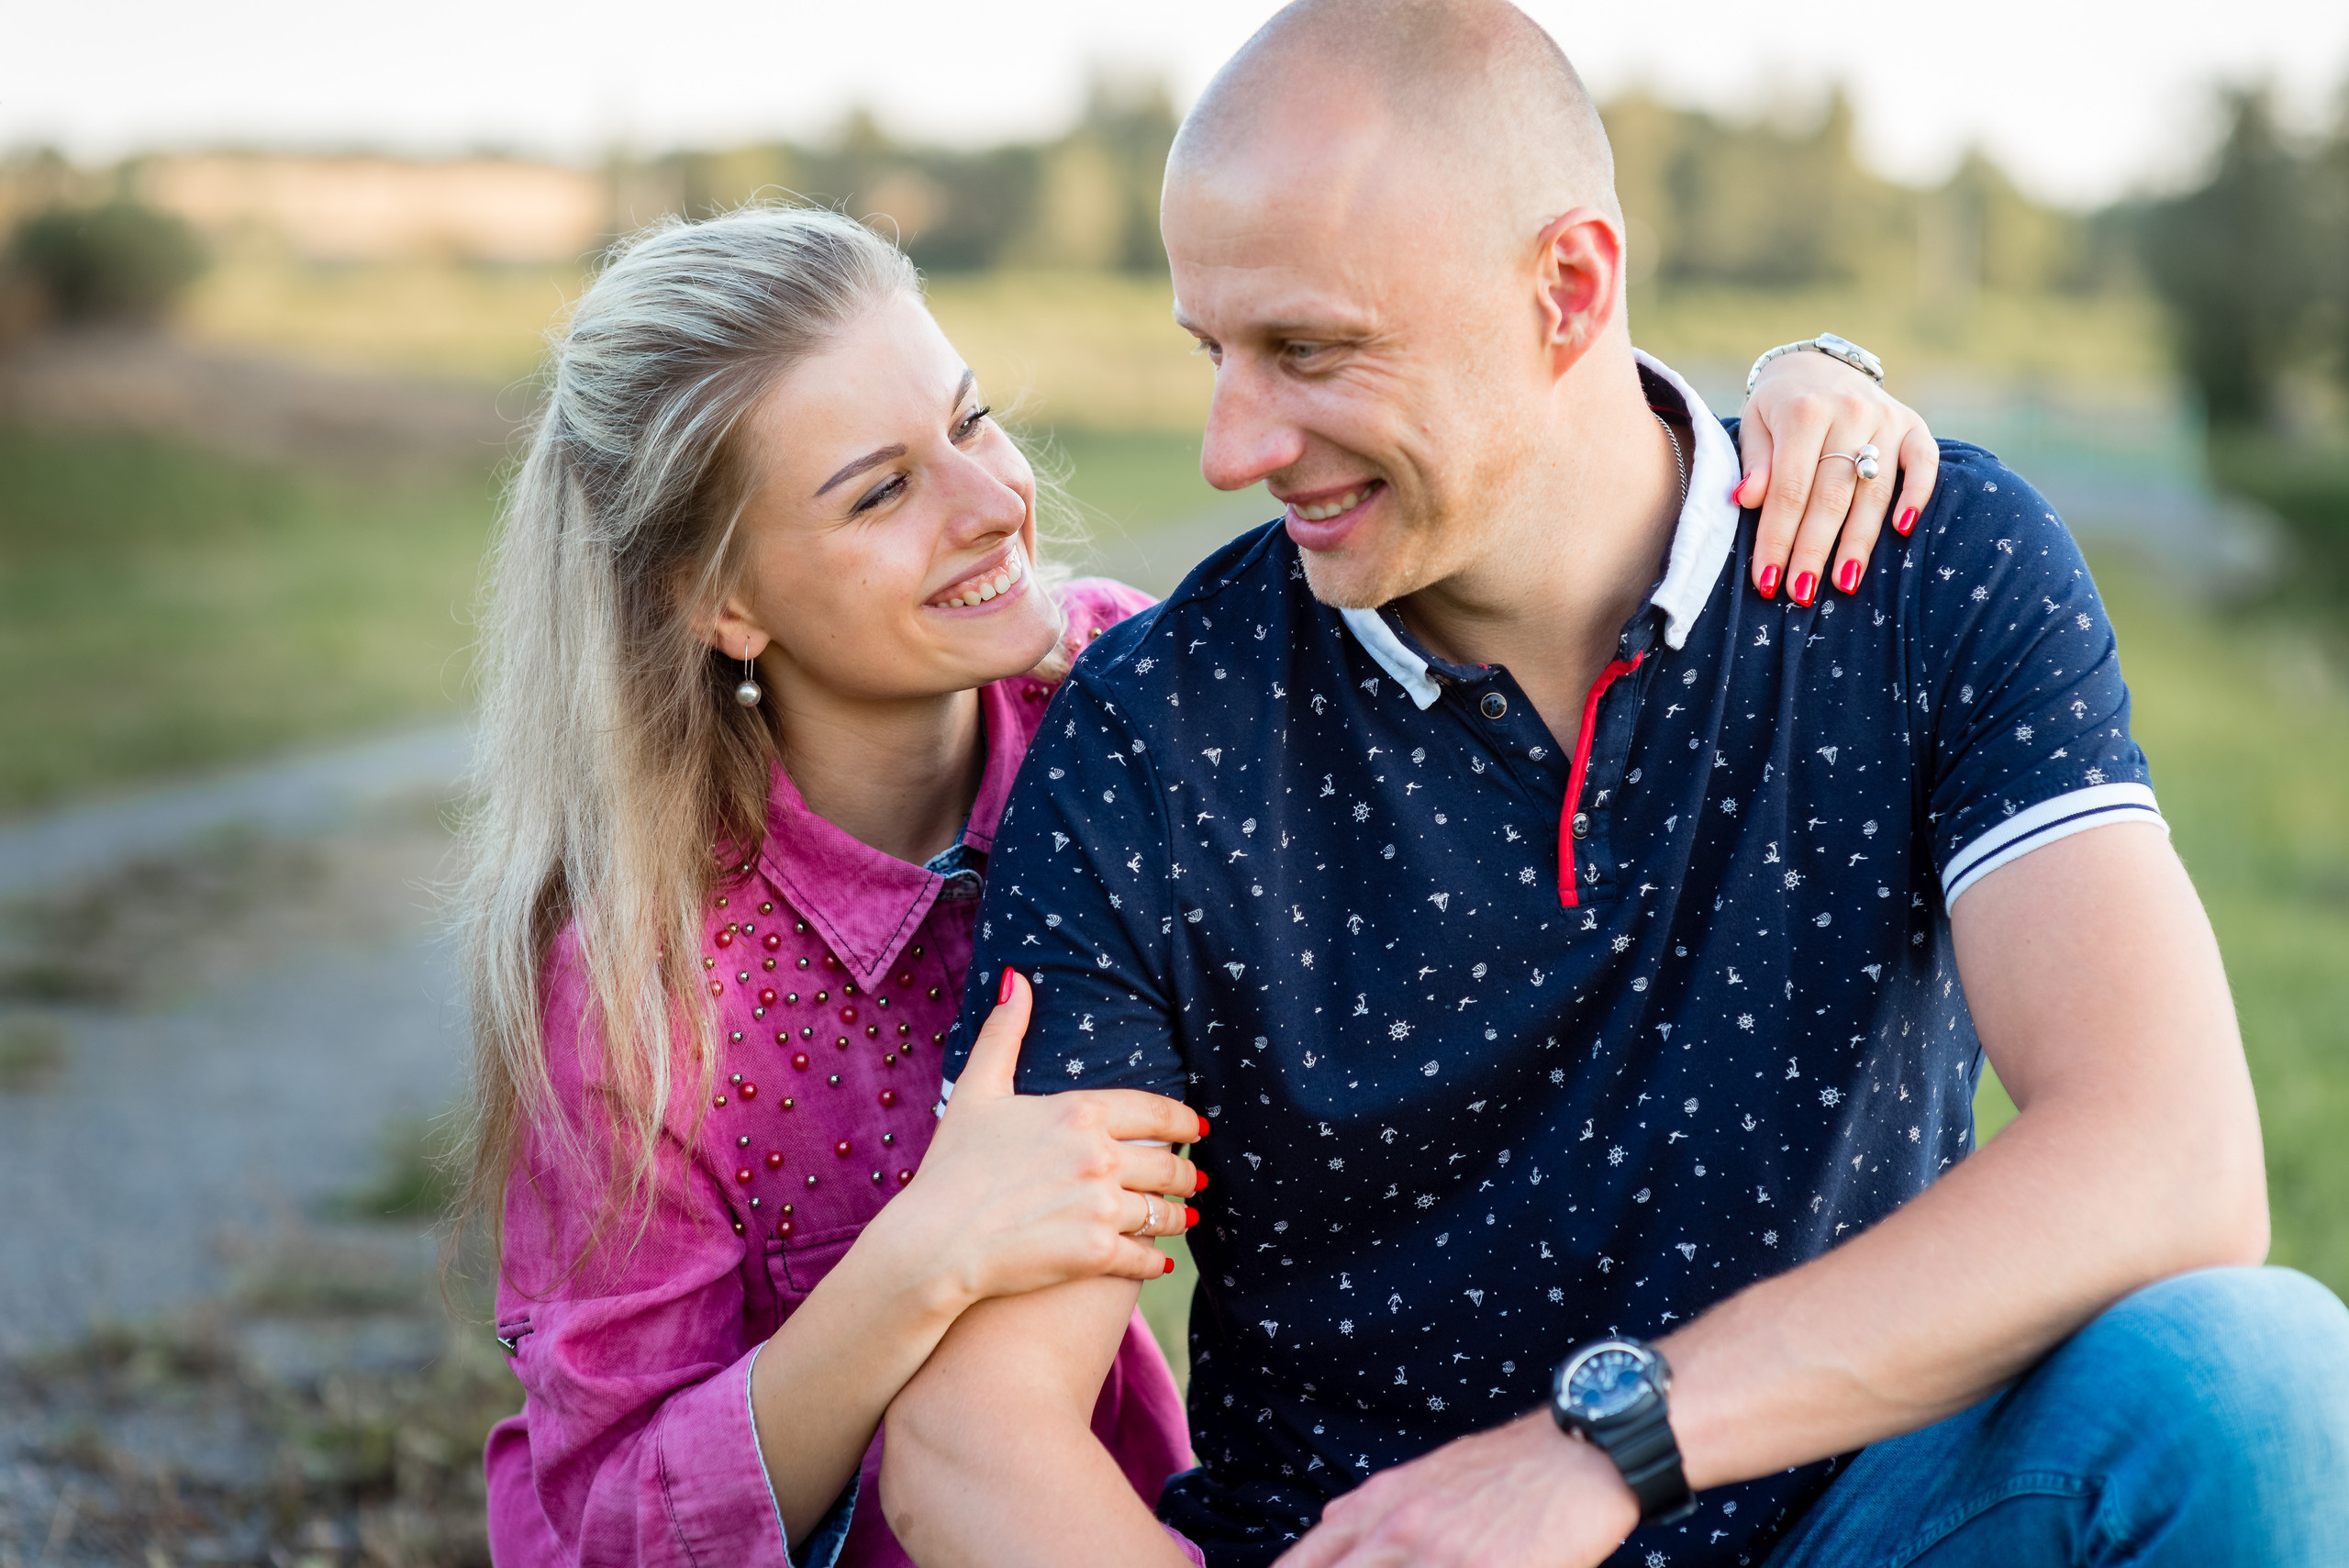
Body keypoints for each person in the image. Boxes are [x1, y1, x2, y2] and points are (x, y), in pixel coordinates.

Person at [882, 5, 2349, 1567]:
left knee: (2252, 1381)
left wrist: (1603, 1448)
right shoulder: (1149, 731)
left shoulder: (1930, 571)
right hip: (1352, 1550)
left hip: (1862, 1521)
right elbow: (977, 1433)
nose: (1235, 443)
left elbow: (2172, 1155)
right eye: (1214, 351)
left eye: (1308, 349)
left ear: (1566, 289)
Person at [454, 198, 1922, 1567]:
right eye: (881, 491)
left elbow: (1473, 572)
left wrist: (1788, 400)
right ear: (720, 601)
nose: (989, 501)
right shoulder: (645, 991)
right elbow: (601, 1515)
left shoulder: (1134, 707)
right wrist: (925, 1254)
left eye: (972, 420)